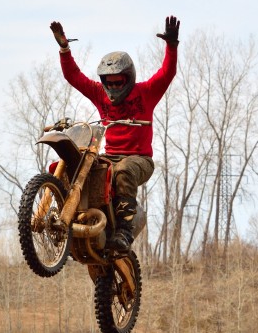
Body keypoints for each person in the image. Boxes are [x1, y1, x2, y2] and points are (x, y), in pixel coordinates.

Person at [49, 16, 180, 254]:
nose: (114, 87)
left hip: (139, 160)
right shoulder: (100, 94)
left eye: (119, 82)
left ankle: (124, 231)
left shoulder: (146, 93)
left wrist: (171, 46)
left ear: (128, 78)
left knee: (122, 170)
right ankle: (66, 220)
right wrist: (64, 49)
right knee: (76, 167)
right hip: (109, 157)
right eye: (109, 83)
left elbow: (166, 73)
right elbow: (74, 77)